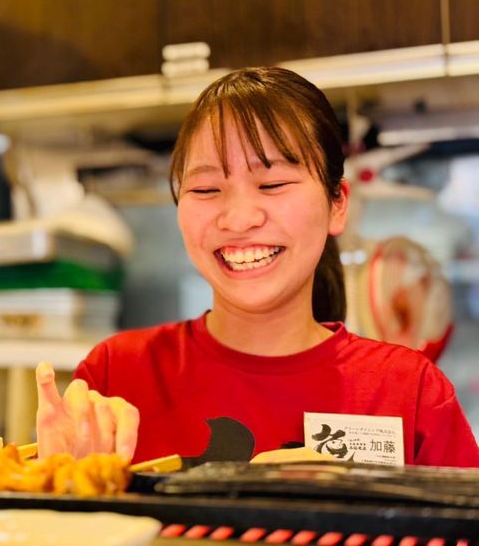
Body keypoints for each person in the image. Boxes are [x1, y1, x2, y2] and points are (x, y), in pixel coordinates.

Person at [34, 67, 479, 468]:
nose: (239, 218)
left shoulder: (408, 392)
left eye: (272, 184)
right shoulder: (118, 376)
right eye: (207, 189)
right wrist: (65, 480)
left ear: (337, 203)